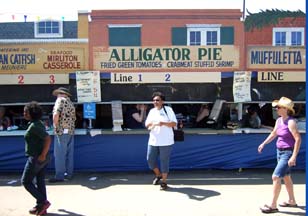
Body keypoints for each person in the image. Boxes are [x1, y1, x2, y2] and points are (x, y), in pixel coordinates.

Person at [258, 97, 301, 214]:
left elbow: (298, 139)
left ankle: (273, 205)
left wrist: (294, 156)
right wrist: (263, 144)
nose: (276, 109)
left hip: (288, 153)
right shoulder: (279, 120)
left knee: (276, 177)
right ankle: (292, 201)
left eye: (278, 107)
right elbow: (273, 134)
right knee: (286, 176)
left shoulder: (291, 122)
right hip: (279, 151)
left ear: (285, 109)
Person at [21, 101, 51, 215]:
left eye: (25, 112)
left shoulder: (34, 126)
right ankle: (41, 208)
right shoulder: (37, 123)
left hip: (36, 158)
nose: (23, 114)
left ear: (31, 113)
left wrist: (42, 155)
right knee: (40, 181)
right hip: (42, 158)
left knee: (26, 181)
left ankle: (43, 202)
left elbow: (48, 139)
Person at [145, 92, 177, 190]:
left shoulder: (168, 110)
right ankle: (158, 175)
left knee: (164, 162)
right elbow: (147, 125)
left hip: (166, 141)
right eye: (154, 100)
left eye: (157, 100)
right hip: (153, 140)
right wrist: (151, 125)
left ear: (162, 101)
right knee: (150, 160)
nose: (155, 102)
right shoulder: (152, 111)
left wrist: (162, 123)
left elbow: (174, 123)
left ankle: (164, 181)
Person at [49, 87, 76, 183]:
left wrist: (55, 126)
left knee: (59, 154)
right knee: (69, 154)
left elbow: (56, 114)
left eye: (57, 94)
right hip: (70, 131)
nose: (56, 96)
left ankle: (59, 176)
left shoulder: (59, 101)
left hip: (61, 131)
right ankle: (69, 174)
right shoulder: (70, 103)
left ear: (60, 94)